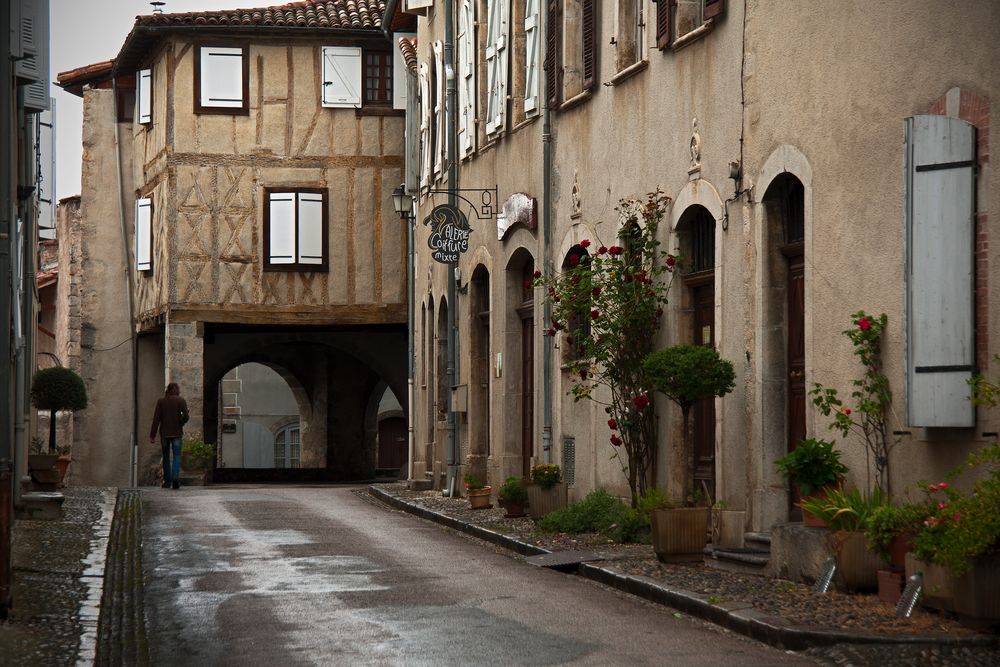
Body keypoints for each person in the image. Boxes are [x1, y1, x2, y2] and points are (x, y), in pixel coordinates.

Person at [150, 382, 189, 489]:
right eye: (178, 389)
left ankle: (167, 481)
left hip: (164, 434)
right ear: (175, 389)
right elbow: (185, 416)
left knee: (166, 457)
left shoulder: (161, 402)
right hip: (176, 432)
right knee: (176, 455)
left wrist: (152, 435)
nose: (179, 390)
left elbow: (156, 419)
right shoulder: (181, 401)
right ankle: (175, 478)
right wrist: (181, 421)